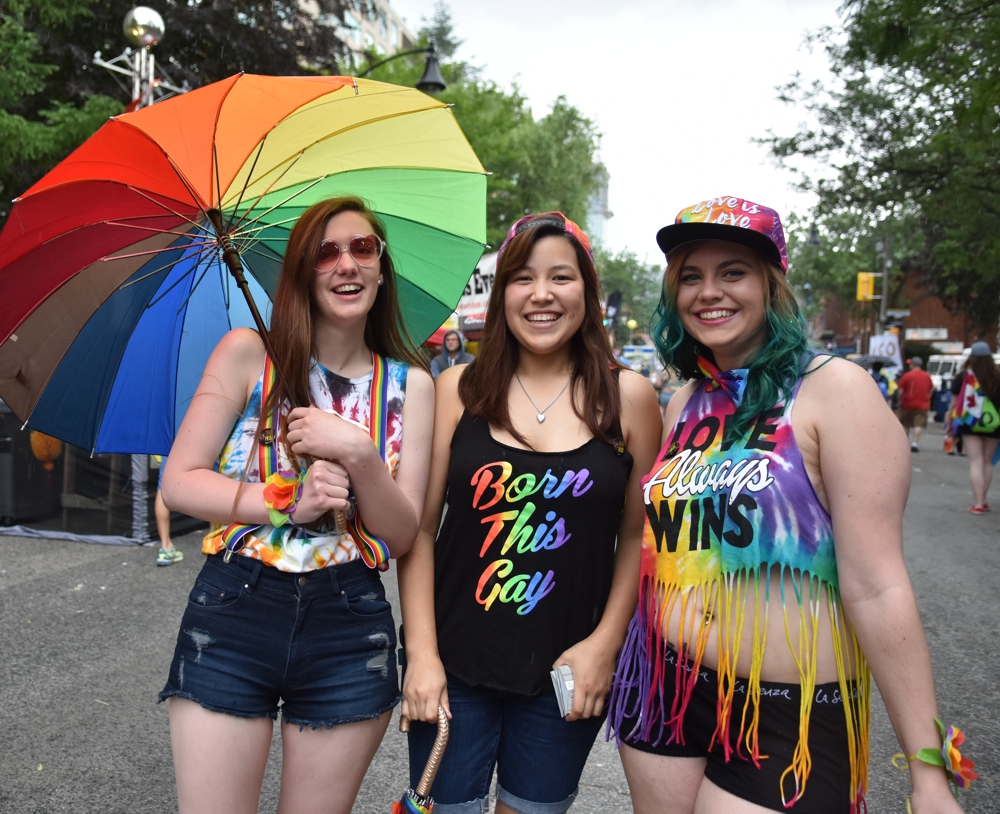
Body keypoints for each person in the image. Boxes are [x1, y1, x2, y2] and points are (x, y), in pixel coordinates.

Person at [607, 197, 969, 814]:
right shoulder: (686, 400)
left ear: (772, 283)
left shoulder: (837, 391)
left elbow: (878, 586)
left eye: (733, 272)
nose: (708, 292)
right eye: (690, 276)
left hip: (788, 715)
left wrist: (928, 770)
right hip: (668, 692)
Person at [158, 197, 434, 814]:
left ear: (382, 267)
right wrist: (286, 501)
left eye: (363, 248)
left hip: (349, 620)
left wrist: (361, 456)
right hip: (234, 607)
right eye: (326, 252)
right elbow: (179, 482)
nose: (346, 265)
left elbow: (405, 533)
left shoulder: (411, 385)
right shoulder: (246, 353)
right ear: (303, 271)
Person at [397, 212, 661, 814]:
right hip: (454, 667)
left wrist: (605, 644)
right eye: (523, 279)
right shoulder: (457, 391)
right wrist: (423, 656)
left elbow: (639, 538)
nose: (541, 294)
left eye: (561, 277)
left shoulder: (630, 399)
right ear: (502, 294)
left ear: (586, 294)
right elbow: (418, 532)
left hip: (566, 675)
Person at [949, 341, 1000, 514]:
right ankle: (984, 500)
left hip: (969, 423)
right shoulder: (997, 376)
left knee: (975, 463)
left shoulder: (964, 377)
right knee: (987, 463)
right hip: (993, 424)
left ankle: (977, 503)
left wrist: (950, 424)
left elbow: (955, 404)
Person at [896, 356, 933, 451]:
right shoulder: (927, 376)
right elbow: (931, 388)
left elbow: (900, 389)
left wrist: (899, 400)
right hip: (922, 404)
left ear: (912, 364)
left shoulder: (907, 375)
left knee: (905, 424)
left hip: (907, 403)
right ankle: (915, 443)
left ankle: (905, 443)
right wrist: (928, 398)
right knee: (918, 424)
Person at [154, 455, 183, 567]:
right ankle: (214, 543)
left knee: (163, 486)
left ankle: (166, 547)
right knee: (212, 478)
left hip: (171, 440)